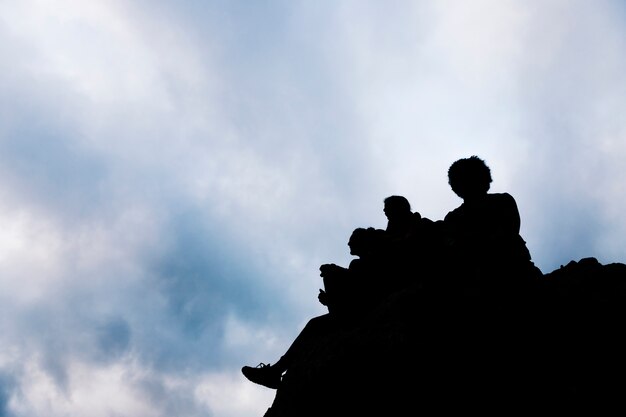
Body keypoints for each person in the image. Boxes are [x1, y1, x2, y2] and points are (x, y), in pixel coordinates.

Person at [241, 226, 388, 389]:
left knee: (315, 323)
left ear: (361, 242)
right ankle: (276, 370)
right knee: (316, 317)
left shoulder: (364, 264)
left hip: (358, 314)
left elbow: (361, 292)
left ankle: (275, 371)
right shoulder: (363, 264)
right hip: (356, 310)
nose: (348, 243)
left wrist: (333, 287)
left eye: (352, 240)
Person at [441, 155, 542, 295]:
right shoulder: (453, 219)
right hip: (482, 285)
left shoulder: (503, 201)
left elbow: (508, 233)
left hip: (517, 273)